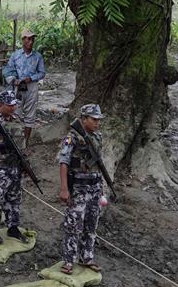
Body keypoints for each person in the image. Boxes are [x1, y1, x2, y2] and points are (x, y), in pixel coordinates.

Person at [57, 104, 105, 275]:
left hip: (94, 187)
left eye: (99, 120)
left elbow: (99, 166)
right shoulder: (72, 137)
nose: (97, 123)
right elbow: (64, 162)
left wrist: (101, 190)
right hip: (78, 188)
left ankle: (87, 257)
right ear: (84, 119)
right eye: (94, 119)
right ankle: (68, 260)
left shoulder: (98, 137)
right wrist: (64, 189)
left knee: (91, 224)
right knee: (73, 224)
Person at [0, 90, 30, 245]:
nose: (13, 108)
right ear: (0, 104)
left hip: (15, 168)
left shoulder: (17, 119)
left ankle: (13, 227)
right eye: (9, 105)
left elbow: (22, 145)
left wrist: (25, 165)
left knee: (15, 198)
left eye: (14, 104)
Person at [4, 30, 46, 147]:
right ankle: (11, 141)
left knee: (30, 115)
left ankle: (25, 143)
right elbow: (8, 70)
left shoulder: (38, 56)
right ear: (23, 40)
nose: (31, 41)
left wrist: (31, 78)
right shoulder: (15, 55)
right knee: (14, 111)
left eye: (32, 39)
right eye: (28, 39)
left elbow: (42, 73)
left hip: (31, 86)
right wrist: (14, 80)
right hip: (18, 87)